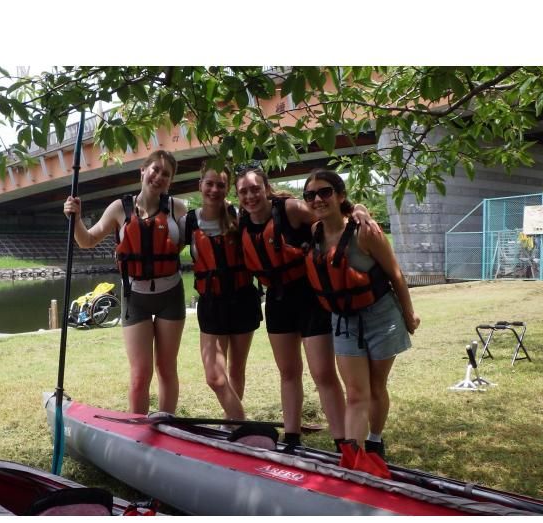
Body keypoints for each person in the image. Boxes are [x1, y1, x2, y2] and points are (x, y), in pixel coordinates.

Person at [234, 165, 380, 453]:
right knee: (288, 372)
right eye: (244, 191)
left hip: (310, 297)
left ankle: (343, 443)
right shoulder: (240, 220)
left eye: (255, 189)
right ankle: (291, 437)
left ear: (266, 188)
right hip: (277, 301)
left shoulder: (290, 209)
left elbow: (332, 219)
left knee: (323, 373)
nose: (250, 195)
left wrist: (358, 209)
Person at [302, 168, 420, 459]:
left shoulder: (365, 232)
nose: (318, 199)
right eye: (310, 195)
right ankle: (353, 459)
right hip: (344, 322)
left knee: (376, 386)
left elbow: (395, 274)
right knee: (355, 393)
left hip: (381, 316)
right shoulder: (314, 231)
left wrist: (409, 315)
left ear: (340, 195)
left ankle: (375, 441)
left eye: (325, 192)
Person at [63, 150, 187, 415]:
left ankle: (167, 424)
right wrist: (75, 218)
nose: (159, 177)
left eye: (166, 174)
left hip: (171, 295)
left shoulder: (178, 208)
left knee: (166, 368)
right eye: (155, 169)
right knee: (140, 375)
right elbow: (87, 240)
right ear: (143, 170)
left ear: (170, 181)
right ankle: (139, 431)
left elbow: (196, 240)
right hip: (136, 298)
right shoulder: (120, 208)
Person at [179, 163, 262, 420]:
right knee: (215, 377)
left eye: (221, 185)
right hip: (211, 303)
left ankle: (230, 424)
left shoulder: (240, 216)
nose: (214, 190)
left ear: (228, 189)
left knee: (237, 369)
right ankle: (244, 425)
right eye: (210, 183)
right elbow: (163, 249)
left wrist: (355, 210)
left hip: (242, 299)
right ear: (200, 185)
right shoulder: (188, 222)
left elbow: (274, 212)